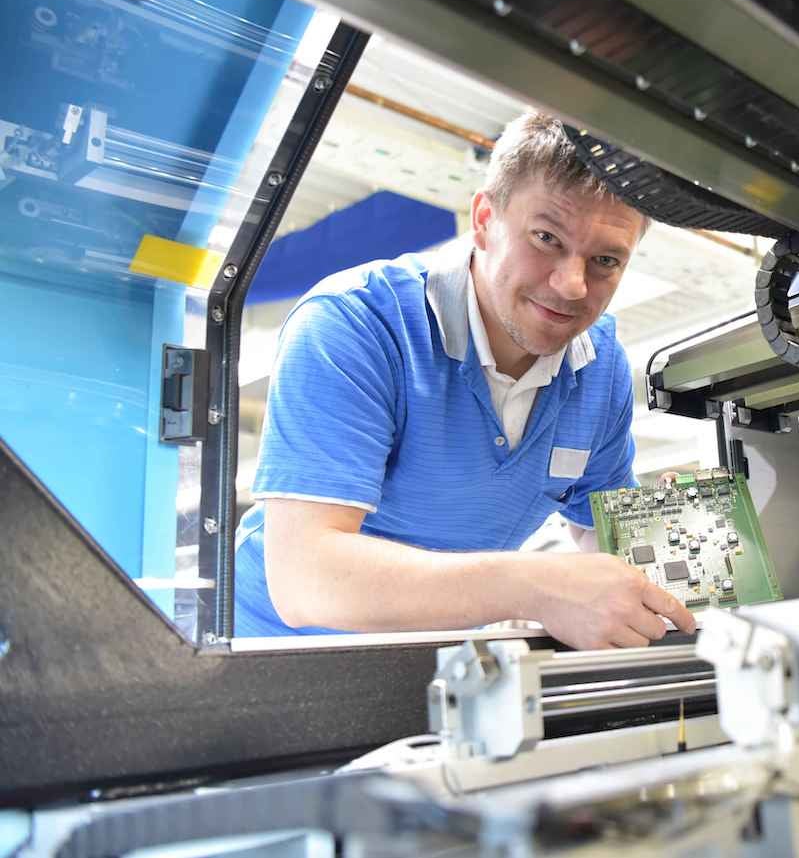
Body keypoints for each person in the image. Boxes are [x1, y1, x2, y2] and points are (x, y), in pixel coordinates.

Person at [232, 111, 696, 648]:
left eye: (606, 260)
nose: (572, 285)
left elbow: (605, 532)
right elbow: (306, 580)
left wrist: (695, 557)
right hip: (272, 660)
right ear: (483, 220)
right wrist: (536, 586)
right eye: (546, 237)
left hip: (434, 660)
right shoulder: (357, 324)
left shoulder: (599, 364)